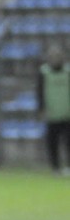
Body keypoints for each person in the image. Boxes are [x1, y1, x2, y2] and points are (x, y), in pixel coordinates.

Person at [37, 44, 70, 175]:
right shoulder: (44, 72)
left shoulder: (68, 71)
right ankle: (55, 167)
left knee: (68, 142)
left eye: (58, 55)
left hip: (67, 113)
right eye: (53, 56)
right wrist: (41, 109)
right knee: (52, 143)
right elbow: (39, 91)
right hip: (52, 113)